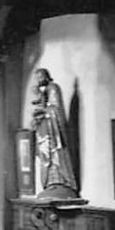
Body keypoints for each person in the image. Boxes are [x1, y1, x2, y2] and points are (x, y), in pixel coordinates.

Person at [31, 68, 79, 198]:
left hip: (53, 130)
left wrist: (44, 112)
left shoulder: (53, 88)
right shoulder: (43, 91)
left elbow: (55, 109)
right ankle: (50, 184)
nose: (38, 81)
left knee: (56, 156)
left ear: (46, 77)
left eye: (40, 77)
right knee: (45, 157)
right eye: (37, 78)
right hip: (44, 131)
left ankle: (61, 182)